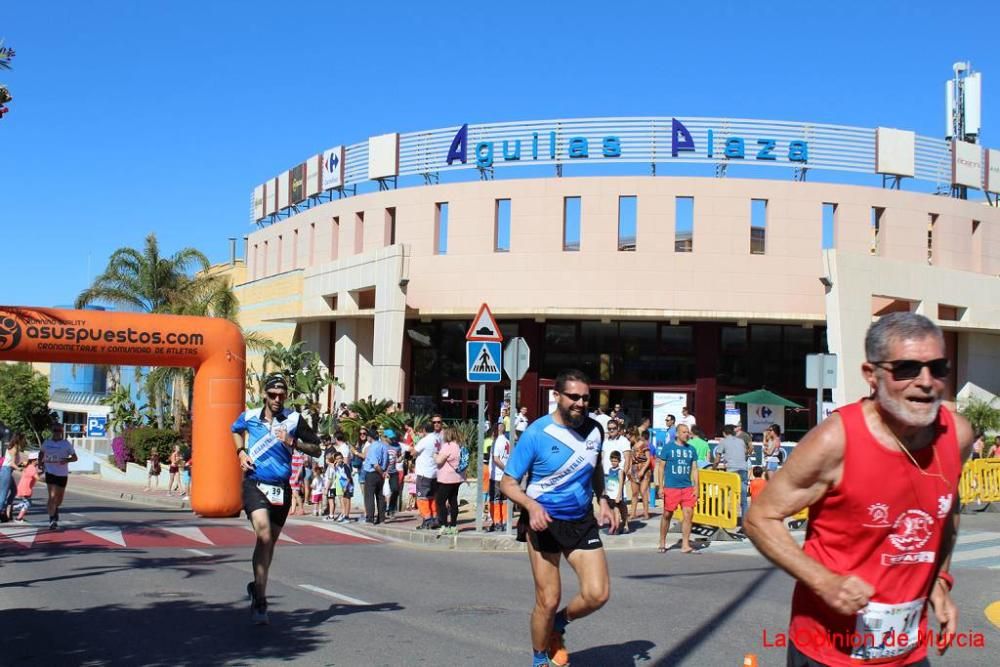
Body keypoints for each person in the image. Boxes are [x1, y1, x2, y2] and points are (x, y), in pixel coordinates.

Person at [745, 312, 973, 666]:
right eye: (907, 369)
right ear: (872, 375)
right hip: (828, 650)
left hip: (908, 651)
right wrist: (824, 582)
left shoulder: (956, 435)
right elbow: (760, 517)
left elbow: (948, 509)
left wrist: (940, 580)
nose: (926, 381)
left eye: (937, 367)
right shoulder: (835, 441)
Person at [500, 369, 618, 667]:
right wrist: (531, 506)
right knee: (548, 600)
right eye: (573, 397)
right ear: (557, 396)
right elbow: (508, 482)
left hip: (581, 521)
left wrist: (603, 500)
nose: (580, 403)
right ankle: (540, 659)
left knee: (597, 594)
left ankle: (559, 625)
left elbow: (595, 468)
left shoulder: (595, 430)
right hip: (544, 521)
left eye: (585, 398)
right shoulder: (537, 433)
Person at [232, 373, 321, 625]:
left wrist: (291, 441)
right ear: (265, 395)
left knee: (268, 546)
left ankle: (257, 588)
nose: (277, 399)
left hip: (282, 489)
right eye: (272, 395)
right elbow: (235, 430)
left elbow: (317, 448)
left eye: (281, 395)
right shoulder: (249, 416)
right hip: (255, 484)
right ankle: (261, 601)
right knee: (264, 535)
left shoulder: (294, 419)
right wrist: (240, 452)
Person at [659, 423, 699, 553]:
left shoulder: (692, 449)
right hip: (671, 487)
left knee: (688, 514)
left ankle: (685, 544)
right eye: (683, 432)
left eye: (687, 432)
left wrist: (696, 486)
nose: (686, 434)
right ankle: (662, 541)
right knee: (667, 514)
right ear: (677, 433)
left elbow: (694, 469)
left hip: (687, 487)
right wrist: (660, 487)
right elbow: (660, 468)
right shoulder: (668, 448)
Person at [40, 423, 77, 530]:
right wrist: (40, 463)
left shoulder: (66, 444)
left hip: (62, 474)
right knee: (52, 496)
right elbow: (41, 453)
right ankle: (52, 519)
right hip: (50, 472)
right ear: (52, 431)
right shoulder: (47, 442)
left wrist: (67, 460)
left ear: (61, 432)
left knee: (59, 499)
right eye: (55, 430)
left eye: (59, 431)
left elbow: (75, 458)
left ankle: (55, 509)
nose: (57, 433)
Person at [713, 424, 749, 523]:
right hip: (743, 469)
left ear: (724, 433)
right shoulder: (741, 441)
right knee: (743, 498)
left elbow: (717, 459)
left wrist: (713, 468)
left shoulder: (723, 442)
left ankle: (722, 516)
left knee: (723, 494)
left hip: (732, 471)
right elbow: (745, 453)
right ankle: (744, 522)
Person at [434, 426, 465, 536]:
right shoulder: (460, 446)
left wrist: (435, 455)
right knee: (453, 501)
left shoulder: (447, 446)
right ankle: (453, 525)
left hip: (446, 479)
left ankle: (444, 525)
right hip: (457, 478)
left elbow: (438, 461)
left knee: (440, 501)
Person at [410, 420, 440, 530]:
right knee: (432, 497)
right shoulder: (439, 438)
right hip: (435, 473)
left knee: (422, 498)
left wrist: (411, 448)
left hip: (424, 473)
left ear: (424, 430)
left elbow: (413, 452)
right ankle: (435, 518)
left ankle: (427, 520)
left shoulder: (425, 440)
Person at [601, 419, 631, 531]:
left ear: (618, 428)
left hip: (618, 475)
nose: (611, 430)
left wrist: (624, 476)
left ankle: (626, 524)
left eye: (613, 428)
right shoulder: (605, 441)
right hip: (607, 475)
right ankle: (613, 524)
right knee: (610, 501)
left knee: (621, 502)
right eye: (609, 429)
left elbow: (628, 459)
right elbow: (602, 457)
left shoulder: (624, 441)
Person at [361, 427, 389, 524]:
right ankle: (381, 518)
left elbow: (375, 464)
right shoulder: (384, 446)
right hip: (381, 473)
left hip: (372, 473)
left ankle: (370, 518)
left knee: (369, 496)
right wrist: (384, 472)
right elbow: (386, 460)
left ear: (370, 437)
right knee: (380, 496)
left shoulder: (372, 447)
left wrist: (381, 472)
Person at [489, 420, 511, 532]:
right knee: (504, 499)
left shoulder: (497, 442)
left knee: (495, 499)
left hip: (497, 475)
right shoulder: (508, 441)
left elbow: (496, 459)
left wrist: (504, 468)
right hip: (505, 476)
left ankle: (497, 522)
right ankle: (504, 521)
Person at [628, 430, 652, 521]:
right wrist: (629, 469)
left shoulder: (643, 445)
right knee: (634, 493)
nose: (628, 438)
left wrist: (642, 470)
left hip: (644, 470)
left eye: (629, 436)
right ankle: (633, 513)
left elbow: (648, 459)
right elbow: (631, 459)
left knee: (643, 491)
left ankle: (646, 513)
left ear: (634, 435)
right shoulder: (632, 446)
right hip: (634, 470)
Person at [1, 433, 25, 521]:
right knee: (3, 495)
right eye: (24, 439)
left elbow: (14, 462)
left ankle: (7, 509)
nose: (24, 441)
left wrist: (22, 465)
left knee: (14, 491)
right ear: (20, 439)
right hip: (6, 471)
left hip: (8, 471)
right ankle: (2, 510)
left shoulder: (16, 448)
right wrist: (20, 469)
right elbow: (11, 463)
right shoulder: (14, 448)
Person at [12, 453, 40, 523]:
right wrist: (46, 479)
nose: (39, 461)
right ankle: (19, 518)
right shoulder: (32, 468)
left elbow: (34, 475)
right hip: (26, 488)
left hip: (23, 487)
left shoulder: (28, 466)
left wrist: (42, 472)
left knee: (25, 502)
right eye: (38, 459)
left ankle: (13, 508)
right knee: (27, 504)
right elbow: (37, 478)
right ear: (34, 460)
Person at [603, 450, 626, 536]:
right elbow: (608, 481)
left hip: (616, 495)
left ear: (619, 461)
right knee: (611, 511)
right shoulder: (610, 470)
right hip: (610, 495)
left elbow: (621, 484)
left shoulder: (620, 471)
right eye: (612, 461)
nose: (614, 463)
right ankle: (612, 526)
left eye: (616, 461)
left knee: (616, 511)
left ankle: (617, 528)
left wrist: (619, 495)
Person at [383, 429, 403, 518]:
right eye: (390, 438)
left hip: (393, 472)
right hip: (383, 472)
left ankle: (391, 509)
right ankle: (383, 510)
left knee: (395, 489)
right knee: (382, 492)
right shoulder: (382, 446)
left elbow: (398, 456)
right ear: (385, 437)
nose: (392, 439)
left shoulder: (397, 446)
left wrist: (400, 458)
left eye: (393, 437)